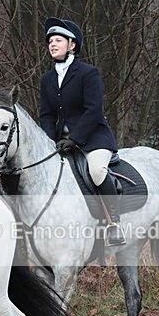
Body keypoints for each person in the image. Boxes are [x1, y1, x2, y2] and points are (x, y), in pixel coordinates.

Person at [39, 17, 126, 246]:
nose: (52, 44)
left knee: (97, 171)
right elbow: (46, 115)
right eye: (50, 41)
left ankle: (113, 223)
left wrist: (76, 139)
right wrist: (50, 141)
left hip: (93, 139)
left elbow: (94, 110)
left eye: (58, 40)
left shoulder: (88, 73)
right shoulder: (47, 79)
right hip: (61, 141)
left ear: (72, 45)